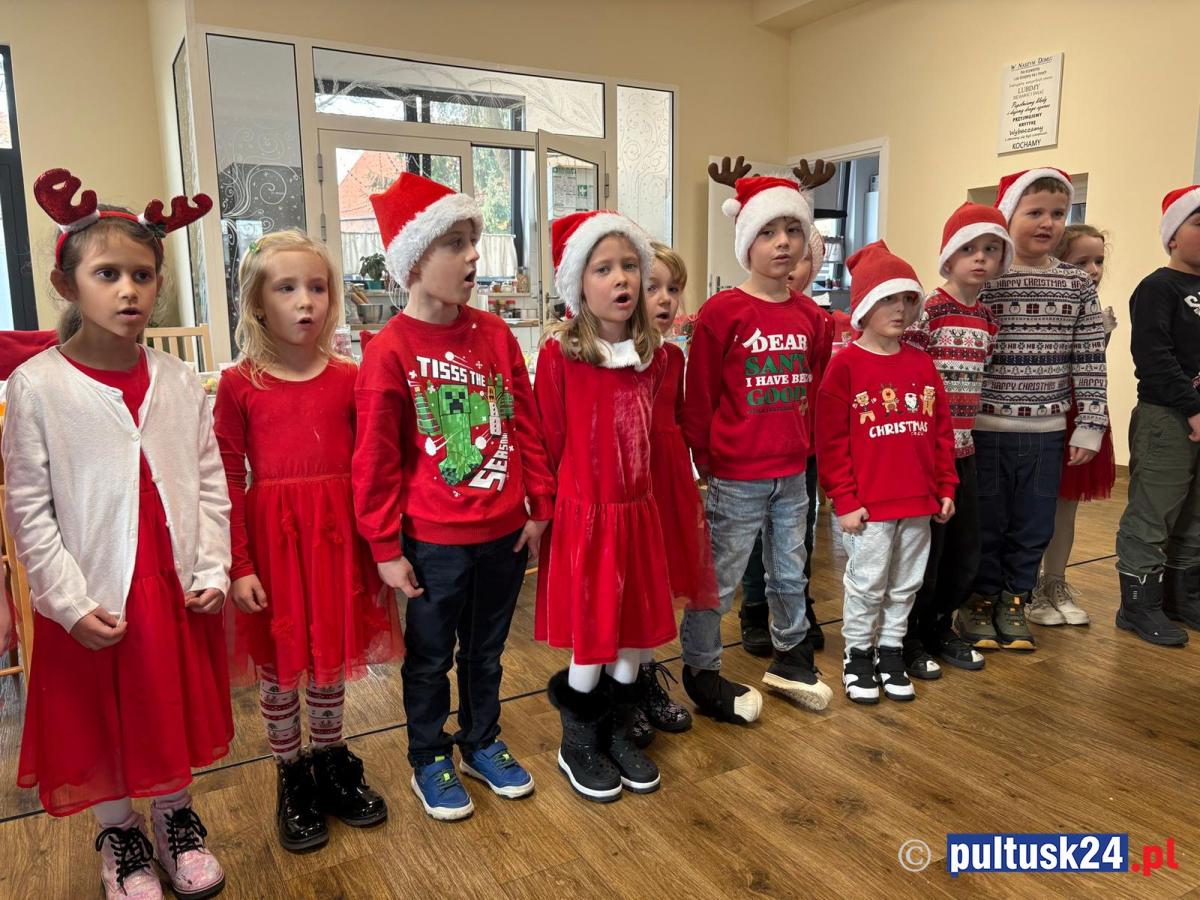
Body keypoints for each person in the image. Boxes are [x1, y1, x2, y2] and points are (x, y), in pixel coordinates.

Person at [2, 168, 230, 900]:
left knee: (165, 703)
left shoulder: (179, 379)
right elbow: (28, 509)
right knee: (100, 717)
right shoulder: (37, 387)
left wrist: (214, 566)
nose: (129, 290)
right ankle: (120, 832)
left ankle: (174, 817)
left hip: (170, 581)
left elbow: (210, 480)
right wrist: (66, 601)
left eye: (142, 274)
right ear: (66, 285)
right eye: (108, 274)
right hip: (93, 587)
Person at [354, 173, 554, 820]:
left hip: (503, 533)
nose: (473, 255)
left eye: (473, 240)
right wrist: (386, 548)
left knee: (487, 652)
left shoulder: (495, 335)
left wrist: (539, 505)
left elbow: (524, 424)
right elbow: (376, 460)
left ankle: (481, 740)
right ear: (414, 260)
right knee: (430, 656)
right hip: (433, 543)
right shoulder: (389, 351)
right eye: (456, 243)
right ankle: (427, 756)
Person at [214, 230, 402, 851]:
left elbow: (374, 464)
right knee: (281, 665)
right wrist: (239, 564)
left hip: (336, 541)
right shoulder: (239, 384)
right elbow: (226, 475)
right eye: (287, 288)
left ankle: (329, 759)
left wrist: (379, 543)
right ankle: (291, 773)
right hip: (275, 546)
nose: (305, 301)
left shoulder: (351, 377)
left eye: (317, 287)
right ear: (257, 302)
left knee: (329, 658)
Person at [682, 175, 833, 722]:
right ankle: (701, 667)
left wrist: (810, 451)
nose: (783, 242)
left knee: (790, 571)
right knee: (721, 578)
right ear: (747, 240)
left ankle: (791, 657)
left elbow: (815, 389)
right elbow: (699, 393)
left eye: (792, 229)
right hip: (736, 473)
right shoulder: (722, 312)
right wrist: (704, 459)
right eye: (768, 231)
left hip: (793, 472)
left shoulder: (813, 318)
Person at [536, 209, 672, 801]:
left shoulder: (653, 355)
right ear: (578, 283)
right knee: (593, 633)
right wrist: (543, 513)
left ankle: (618, 728)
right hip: (586, 518)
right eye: (603, 269)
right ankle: (579, 741)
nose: (621, 279)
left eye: (630, 266)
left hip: (637, 514)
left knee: (634, 631)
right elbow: (546, 441)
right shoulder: (560, 356)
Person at [959, 168, 1108, 652]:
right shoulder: (986, 280)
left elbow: (1090, 357)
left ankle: (1015, 601)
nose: (1048, 222)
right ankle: (979, 602)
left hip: (1046, 431)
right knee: (988, 521)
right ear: (1008, 215)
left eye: (1058, 213)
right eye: (1035, 212)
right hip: (984, 430)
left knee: (1034, 524)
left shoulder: (1077, 284)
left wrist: (1090, 424)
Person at [816, 240, 956, 703]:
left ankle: (890, 650)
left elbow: (941, 432)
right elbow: (831, 443)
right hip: (870, 508)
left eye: (907, 299)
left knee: (906, 583)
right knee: (868, 583)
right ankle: (858, 655)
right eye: (887, 298)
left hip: (918, 502)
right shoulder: (845, 366)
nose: (899, 309)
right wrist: (844, 498)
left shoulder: (922, 363)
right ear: (864, 305)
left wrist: (945, 486)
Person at [901, 203, 1009, 676]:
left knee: (963, 550)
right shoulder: (929, 311)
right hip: (927, 453)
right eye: (968, 249)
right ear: (948, 256)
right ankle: (908, 635)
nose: (980, 257)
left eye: (990, 249)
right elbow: (907, 377)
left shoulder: (986, 317)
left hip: (965, 451)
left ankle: (940, 625)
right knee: (924, 552)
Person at [633, 241, 717, 746]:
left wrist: (702, 466)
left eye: (674, 289)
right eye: (653, 288)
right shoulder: (615, 356)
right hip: (629, 482)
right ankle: (618, 686)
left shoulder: (674, 356)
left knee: (656, 584)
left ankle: (644, 675)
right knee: (628, 584)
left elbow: (682, 417)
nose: (666, 299)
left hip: (667, 482)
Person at [1113, 184, 1200, 646]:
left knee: (1195, 513)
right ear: (1172, 236)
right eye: (1199, 223)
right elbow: (1154, 357)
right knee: (1154, 513)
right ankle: (1138, 605)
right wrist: (1193, 408)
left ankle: (1181, 597)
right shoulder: (1157, 287)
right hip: (1168, 417)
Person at [740, 229, 832, 655]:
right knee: (757, 536)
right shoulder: (742, 311)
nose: (791, 263)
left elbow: (819, 384)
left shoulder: (817, 320)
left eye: (804, 257)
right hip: (755, 450)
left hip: (802, 450)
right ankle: (754, 607)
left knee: (798, 536)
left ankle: (797, 604)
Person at [1029, 223, 1118, 626]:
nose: (1094, 270)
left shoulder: (1098, 311)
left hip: (1083, 412)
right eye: (1083, 262)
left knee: (1067, 507)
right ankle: (1025, 586)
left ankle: (1055, 583)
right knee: (1035, 506)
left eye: (1098, 261)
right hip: (1045, 406)